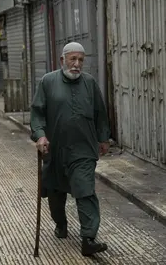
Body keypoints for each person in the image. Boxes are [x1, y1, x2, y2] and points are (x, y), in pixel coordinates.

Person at [30, 42, 111, 257]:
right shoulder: (48, 81)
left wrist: (103, 138)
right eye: (72, 59)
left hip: (83, 149)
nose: (77, 64)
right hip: (55, 150)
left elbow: (100, 113)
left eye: (81, 60)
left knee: (85, 190)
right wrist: (40, 135)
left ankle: (88, 238)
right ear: (62, 60)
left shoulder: (90, 83)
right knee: (56, 193)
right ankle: (61, 223)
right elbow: (37, 114)